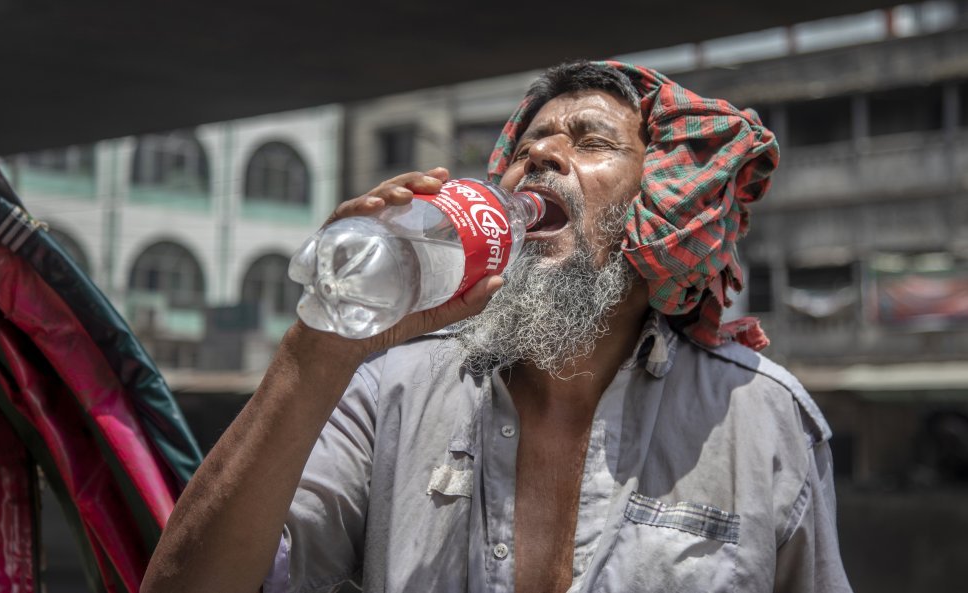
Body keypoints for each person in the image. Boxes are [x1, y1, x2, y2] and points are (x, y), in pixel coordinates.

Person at [142, 60, 852, 593]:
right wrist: (317, 349)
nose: (541, 157)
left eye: (590, 141)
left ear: (655, 208)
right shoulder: (390, 391)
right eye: (529, 146)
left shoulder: (763, 417)